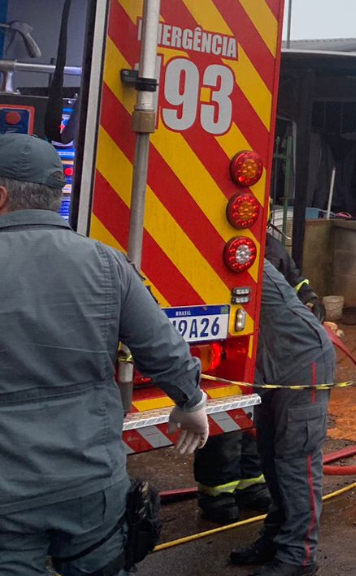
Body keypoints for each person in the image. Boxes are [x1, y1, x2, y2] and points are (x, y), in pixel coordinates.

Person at [0, 133, 209, 576]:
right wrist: (191, 402)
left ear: (0, 195)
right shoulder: (107, 263)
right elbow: (163, 349)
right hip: (91, 481)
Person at [192, 229, 324, 525]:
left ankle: (252, 484)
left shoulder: (268, 244)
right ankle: (217, 495)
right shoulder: (221, 244)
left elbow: (294, 278)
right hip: (236, 347)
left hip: (269, 353)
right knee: (226, 423)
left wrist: (309, 299)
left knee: (256, 421)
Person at [228, 254, 336, 576]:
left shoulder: (242, 254)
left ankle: (299, 556)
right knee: (271, 460)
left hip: (304, 361)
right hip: (272, 368)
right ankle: (277, 538)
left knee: (295, 463)